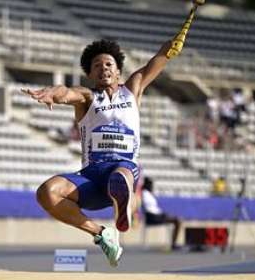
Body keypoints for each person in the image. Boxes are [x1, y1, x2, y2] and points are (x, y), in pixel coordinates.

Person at [23, 38, 174, 267]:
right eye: (96, 66)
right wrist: (52, 93)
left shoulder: (132, 90)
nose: (103, 68)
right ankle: (103, 234)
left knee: (120, 176)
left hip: (123, 167)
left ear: (118, 71)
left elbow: (159, 60)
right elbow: (67, 92)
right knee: (46, 192)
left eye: (108, 64)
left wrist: (173, 43)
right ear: (90, 75)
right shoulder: (87, 97)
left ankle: (124, 204)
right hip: (92, 177)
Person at [141, 177, 181, 250]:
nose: (151, 186)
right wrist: (162, 214)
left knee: (175, 219)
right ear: (147, 185)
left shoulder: (149, 194)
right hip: (152, 217)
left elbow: (154, 208)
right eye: (150, 184)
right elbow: (149, 209)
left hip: (156, 215)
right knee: (177, 221)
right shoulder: (144, 194)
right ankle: (173, 244)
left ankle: (173, 244)